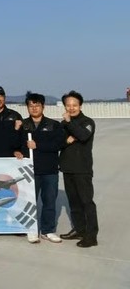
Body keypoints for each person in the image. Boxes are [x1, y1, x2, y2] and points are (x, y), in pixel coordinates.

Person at [21, 92, 64, 244]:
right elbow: (16, 144)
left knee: (49, 201)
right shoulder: (22, 125)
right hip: (30, 171)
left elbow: (58, 144)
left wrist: (38, 145)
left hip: (49, 170)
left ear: (43, 106)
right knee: (29, 202)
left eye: (37, 105)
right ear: (27, 107)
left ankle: (48, 230)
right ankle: (31, 229)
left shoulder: (53, 125)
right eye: (31, 106)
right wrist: (17, 151)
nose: (34, 108)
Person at [59, 90, 98, 248]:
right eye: (68, 105)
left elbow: (83, 136)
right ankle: (79, 230)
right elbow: (59, 142)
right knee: (74, 203)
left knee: (86, 202)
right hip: (67, 168)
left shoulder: (88, 122)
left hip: (82, 169)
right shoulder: (63, 124)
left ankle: (91, 236)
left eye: (74, 105)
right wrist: (66, 140)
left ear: (80, 106)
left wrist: (69, 123)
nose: (71, 108)